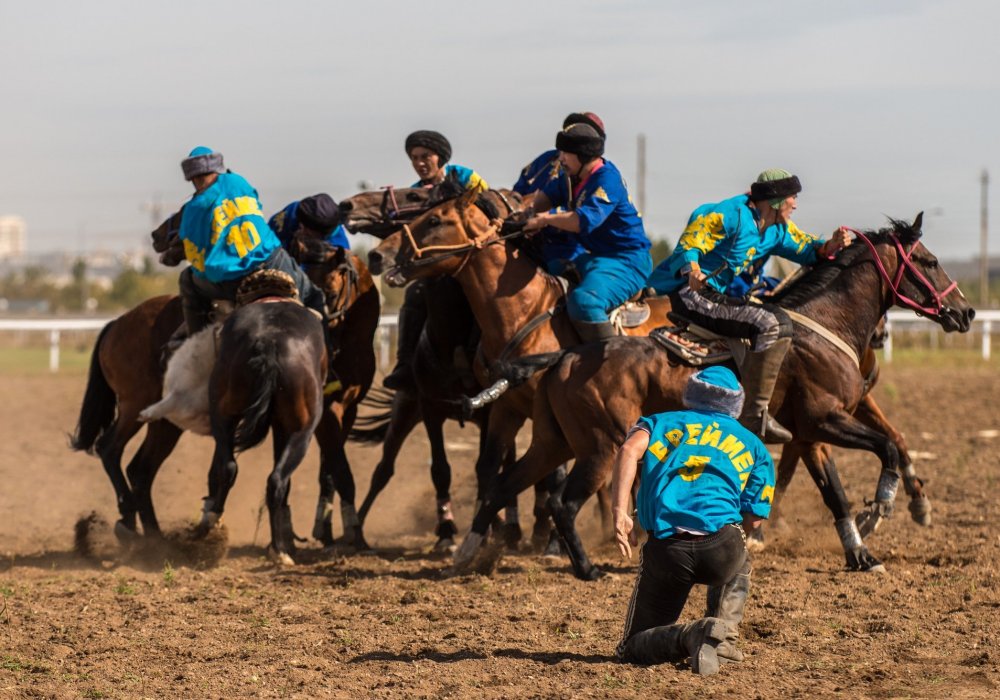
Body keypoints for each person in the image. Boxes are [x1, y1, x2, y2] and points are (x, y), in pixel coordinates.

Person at [646, 169, 852, 442]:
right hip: (687, 291)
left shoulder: (777, 230)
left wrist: (832, 245)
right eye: (793, 197)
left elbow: (808, 249)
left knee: (772, 317)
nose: (796, 204)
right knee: (773, 322)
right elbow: (692, 239)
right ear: (776, 201)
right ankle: (754, 415)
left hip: (715, 294)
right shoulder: (731, 214)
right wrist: (692, 268)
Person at [611, 366, 775, 676]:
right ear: (736, 404)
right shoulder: (755, 446)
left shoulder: (657, 422)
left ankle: (691, 635)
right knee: (739, 548)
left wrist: (620, 511)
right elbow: (752, 522)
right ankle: (722, 636)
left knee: (631, 648)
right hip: (722, 550)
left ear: (691, 394)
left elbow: (628, 451)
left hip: (668, 551)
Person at [174, 147, 335, 380]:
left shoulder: (193, 208)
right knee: (314, 297)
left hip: (231, 281)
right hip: (272, 261)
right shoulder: (238, 182)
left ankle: (196, 351)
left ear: (192, 178)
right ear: (218, 168)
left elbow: (194, 253)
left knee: (187, 280)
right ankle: (327, 365)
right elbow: (256, 205)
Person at [522, 122, 652, 342]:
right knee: (550, 269)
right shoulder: (572, 177)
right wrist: (523, 215)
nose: (560, 158)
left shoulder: (606, 179)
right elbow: (543, 199)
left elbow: (582, 222)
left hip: (628, 261)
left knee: (585, 303)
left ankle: (609, 364)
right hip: (596, 258)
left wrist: (543, 220)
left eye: (566, 153)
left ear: (582, 156)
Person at [382, 130, 488, 391]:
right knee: (415, 296)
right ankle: (405, 364)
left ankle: (488, 362)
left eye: (425, 156)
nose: (419, 163)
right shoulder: (414, 194)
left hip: (474, 264)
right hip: (438, 271)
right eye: (414, 157)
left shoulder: (464, 177)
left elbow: (488, 208)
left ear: (440, 157)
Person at [511, 113, 603, 275]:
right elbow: (519, 191)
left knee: (556, 272)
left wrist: (545, 219)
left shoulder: (595, 177)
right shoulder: (545, 160)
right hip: (524, 237)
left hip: (565, 249)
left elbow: (582, 218)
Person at [268, 193, 351, 251]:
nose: (301, 229)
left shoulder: (338, 248)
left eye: (306, 232)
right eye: (300, 225)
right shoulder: (294, 211)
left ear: (320, 235)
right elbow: (268, 236)